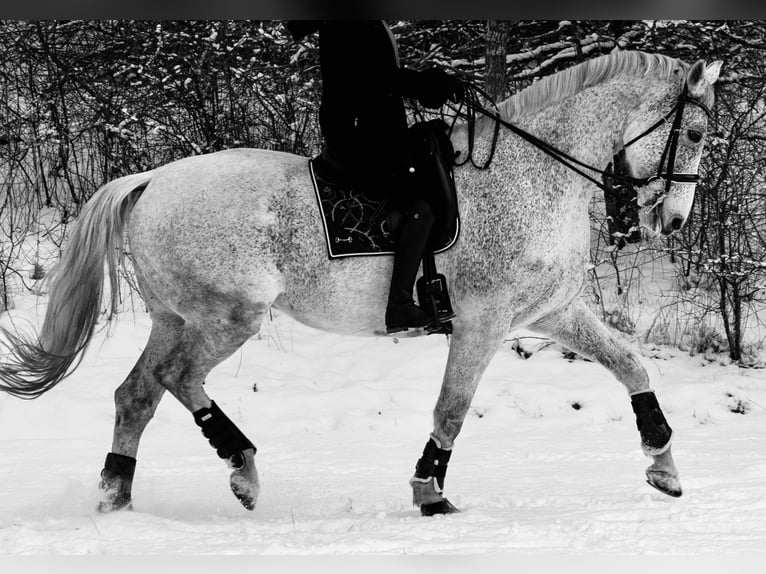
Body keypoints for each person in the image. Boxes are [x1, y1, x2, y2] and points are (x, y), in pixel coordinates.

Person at [285, 20, 464, 333]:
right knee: (421, 202)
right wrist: (427, 85)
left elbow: (380, 75)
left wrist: (432, 84)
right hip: (359, 137)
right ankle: (400, 303)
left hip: (374, 130)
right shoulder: (347, 22)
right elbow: (373, 79)